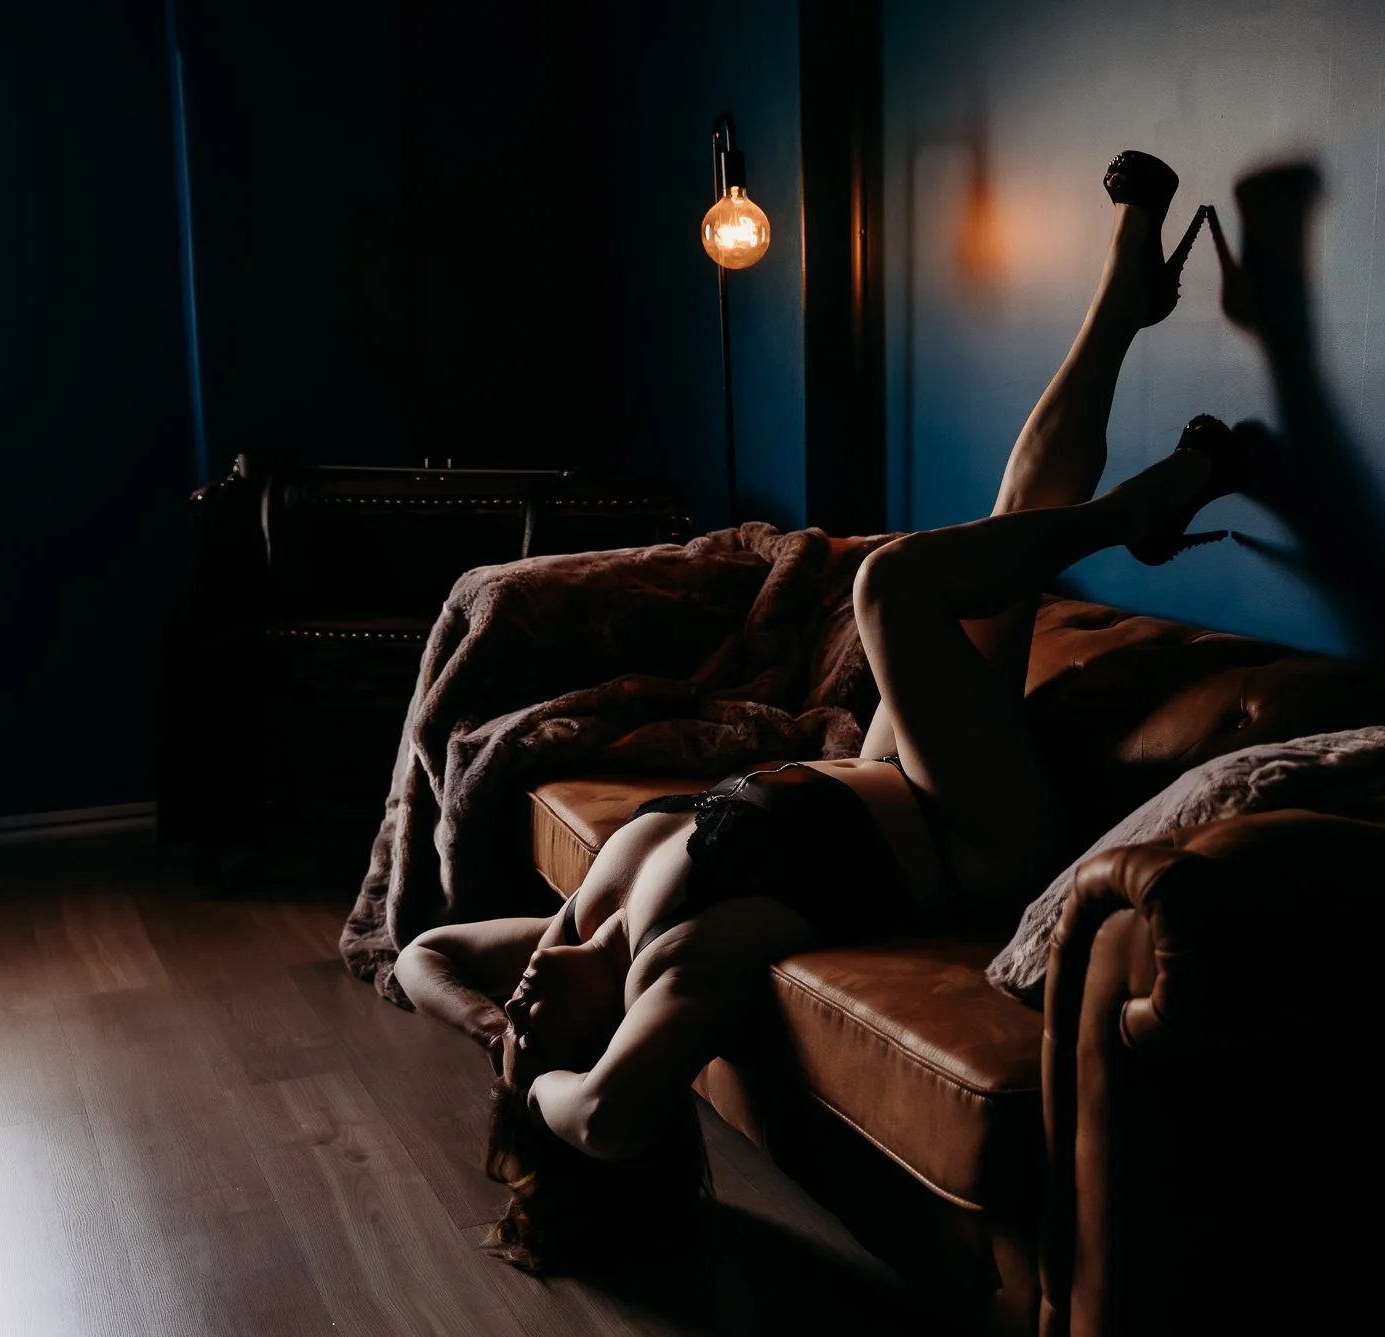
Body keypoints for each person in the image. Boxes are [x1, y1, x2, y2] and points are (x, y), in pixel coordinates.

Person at [394, 150, 1265, 1271]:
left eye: (508, 1022)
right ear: (594, 1045)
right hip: (975, 839)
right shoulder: (674, 971)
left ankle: (1123, 299)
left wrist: (499, 1047)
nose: (516, 1005)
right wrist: (549, 1088)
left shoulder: (574, 932)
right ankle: (1132, 518)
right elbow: (607, 1123)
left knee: (1009, 519)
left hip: (896, 776)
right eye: (534, 1032)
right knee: (890, 584)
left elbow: (426, 955)